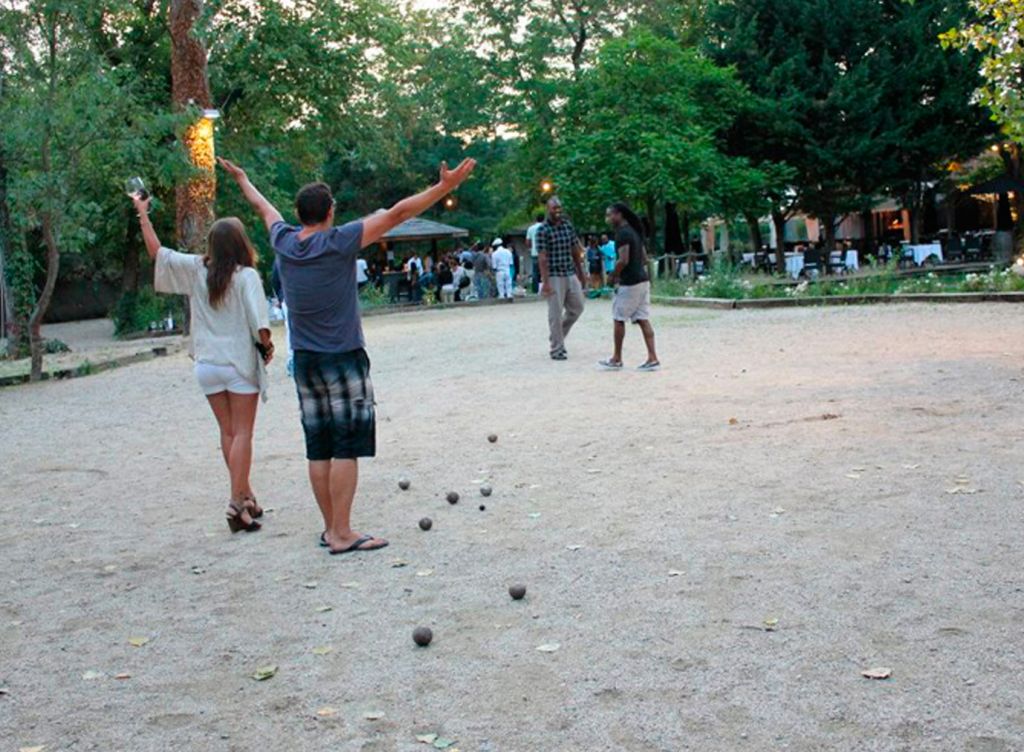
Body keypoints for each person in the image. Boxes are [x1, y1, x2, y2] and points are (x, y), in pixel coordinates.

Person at [218, 155, 476, 554]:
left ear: (300, 214)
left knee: (319, 447)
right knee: (345, 447)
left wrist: (243, 178)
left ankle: (330, 528)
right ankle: (342, 532)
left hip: (305, 362)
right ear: (330, 211)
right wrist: (445, 187)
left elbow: (262, 207)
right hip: (343, 357)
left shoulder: (284, 241)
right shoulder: (338, 241)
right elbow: (398, 213)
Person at [130, 191, 274, 534]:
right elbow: (262, 327)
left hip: (206, 364)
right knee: (243, 433)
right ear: (241, 244)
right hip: (238, 362)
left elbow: (158, 254)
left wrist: (143, 215)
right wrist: (266, 347)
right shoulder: (246, 277)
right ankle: (235, 503)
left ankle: (247, 495)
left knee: (227, 432)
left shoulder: (197, 269)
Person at [598, 202, 660, 372]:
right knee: (642, 318)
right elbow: (644, 258)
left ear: (619, 215)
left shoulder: (623, 234)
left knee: (619, 318)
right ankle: (652, 357)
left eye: (610, 215)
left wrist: (613, 275)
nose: (608, 219)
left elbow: (623, 259)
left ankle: (617, 358)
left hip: (630, 282)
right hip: (642, 279)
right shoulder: (635, 231)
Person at [536, 196, 586, 360]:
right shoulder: (542, 230)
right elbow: (542, 258)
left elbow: (575, 250)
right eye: (554, 208)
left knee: (577, 307)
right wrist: (545, 282)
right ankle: (557, 348)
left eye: (559, 208)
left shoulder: (567, 225)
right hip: (554, 275)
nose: (557, 211)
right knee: (555, 314)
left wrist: (580, 273)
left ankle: (557, 335)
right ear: (547, 210)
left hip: (569, 272)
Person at [526, 214, 544, 293]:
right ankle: (545, 288)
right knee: (546, 272)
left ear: (536, 219)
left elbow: (527, 241)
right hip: (545, 253)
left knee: (535, 273)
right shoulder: (546, 228)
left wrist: (530, 248)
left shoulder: (531, 228)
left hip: (535, 253)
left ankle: (535, 290)